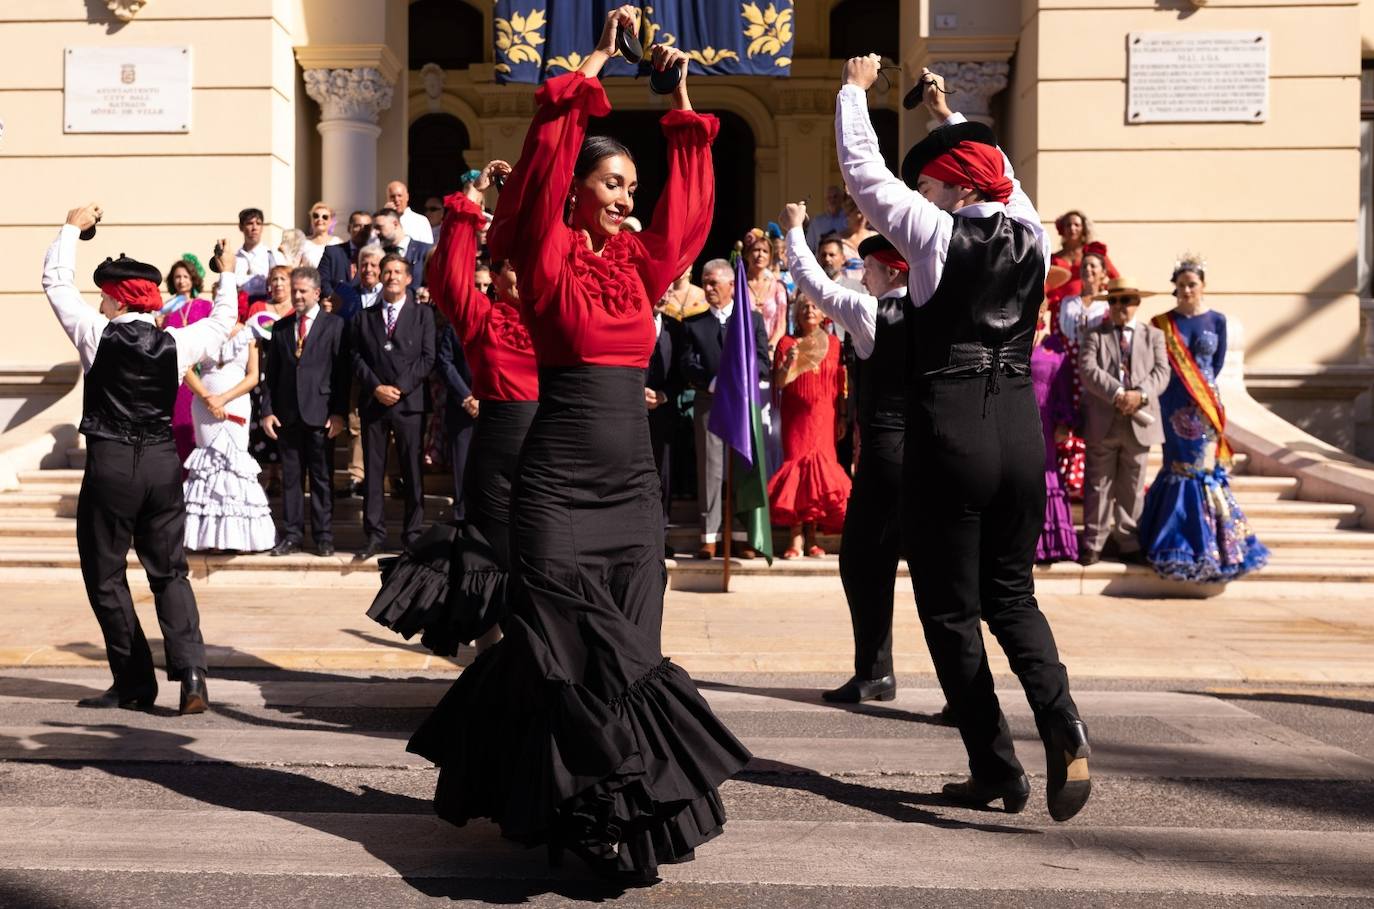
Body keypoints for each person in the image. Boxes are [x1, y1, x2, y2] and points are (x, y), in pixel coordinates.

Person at [407, 12, 750, 881]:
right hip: (554, 480)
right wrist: (596, 59)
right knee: (561, 642)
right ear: (577, 192)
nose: (628, 195)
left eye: (633, 182)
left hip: (633, 486)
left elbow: (693, 210)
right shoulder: (546, 250)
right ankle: (572, 811)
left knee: (631, 644)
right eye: (613, 181)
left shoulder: (641, 267)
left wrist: (676, 96)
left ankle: (614, 818)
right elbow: (540, 167)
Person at [838, 57, 1092, 820]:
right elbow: (1001, 167)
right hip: (1020, 430)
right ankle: (1064, 723)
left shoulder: (937, 236)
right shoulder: (1032, 231)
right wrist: (950, 118)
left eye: (930, 184)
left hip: (950, 429)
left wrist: (854, 90)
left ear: (955, 187)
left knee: (949, 609)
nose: (918, 195)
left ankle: (995, 766)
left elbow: (862, 171)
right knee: (1012, 595)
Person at [42, 203, 237, 715]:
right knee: (169, 571)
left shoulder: (95, 333)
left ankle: (133, 682)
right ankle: (191, 671)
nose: (99, 303)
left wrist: (70, 228)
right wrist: (227, 274)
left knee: (106, 574)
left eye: (103, 297)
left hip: (111, 463)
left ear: (111, 298)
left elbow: (55, 282)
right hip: (161, 463)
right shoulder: (176, 340)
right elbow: (224, 321)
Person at [368, 160, 539, 656]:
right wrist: (470, 202)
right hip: (496, 444)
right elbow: (446, 276)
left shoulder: (558, 316)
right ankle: (488, 658)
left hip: (550, 443)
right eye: (509, 266)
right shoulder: (482, 316)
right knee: (487, 552)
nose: (518, 273)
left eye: (525, 265)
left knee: (542, 554)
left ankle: (541, 653)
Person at [784, 207, 908, 703]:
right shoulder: (937, 310)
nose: (863, 278)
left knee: (861, 562)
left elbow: (814, 284)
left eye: (869, 269)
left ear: (891, 270)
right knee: (944, 576)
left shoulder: (873, 312)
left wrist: (795, 229)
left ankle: (876, 672)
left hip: (887, 451)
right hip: (932, 452)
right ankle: (962, 692)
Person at [1137, 257, 1269, 581]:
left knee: (1202, 469)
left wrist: (1203, 394)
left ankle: (1210, 544)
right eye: (1180, 285)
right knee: (1178, 467)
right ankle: (1173, 541)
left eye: (1191, 285)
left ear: (1203, 286)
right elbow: (1155, 363)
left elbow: (1217, 363)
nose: (1185, 290)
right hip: (1172, 405)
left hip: (1205, 406)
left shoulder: (1218, 321)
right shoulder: (1161, 322)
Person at [680, 258, 770, 559]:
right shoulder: (694, 324)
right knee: (711, 469)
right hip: (710, 402)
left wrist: (741, 379)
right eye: (704, 282)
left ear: (732, 285)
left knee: (742, 466)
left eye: (713, 282)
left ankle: (743, 535)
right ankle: (710, 536)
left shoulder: (752, 321)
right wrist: (712, 381)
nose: (707, 288)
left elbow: (762, 362)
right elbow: (687, 364)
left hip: (743, 404)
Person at [1077, 276, 1170, 566]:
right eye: (1114, 300)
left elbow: (1161, 373)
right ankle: (1094, 542)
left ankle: (1129, 541)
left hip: (1140, 421)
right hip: (1104, 419)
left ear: (1136, 303)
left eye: (1126, 300)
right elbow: (1088, 369)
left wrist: (1139, 394)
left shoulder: (1153, 335)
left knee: (1132, 484)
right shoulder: (1094, 334)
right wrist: (1118, 394)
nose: (1120, 306)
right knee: (1098, 484)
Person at [261, 266, 351, 557]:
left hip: (321, 414)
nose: (297, 296)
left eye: (302, 291)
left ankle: (324, 536)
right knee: (291, 479)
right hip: (288, 415)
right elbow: (271, 375)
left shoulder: (335, 326)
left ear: (316, 292)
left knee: (322, 478)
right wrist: (267, 411)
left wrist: (338, 413)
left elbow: (342, 375)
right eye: (294, 290)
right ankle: (293, 535)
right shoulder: (281, 327)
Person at [352, 255, 436, 559]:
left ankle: (412, 534)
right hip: (374, 402)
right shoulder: (364, 316)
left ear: (409, 278)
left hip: (409, 403)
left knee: (412, 470)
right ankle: (374, 534)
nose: (391, 276)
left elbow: (428, 358)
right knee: (373, 472)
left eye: (398, 271)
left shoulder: (423, 315)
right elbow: (356, 357)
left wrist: (398, 388)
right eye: (386, 271)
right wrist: (376, 387)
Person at [182, 293, 276, 553]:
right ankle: (206, 538)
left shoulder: (249, 334)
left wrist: (222, 398)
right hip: (204, 404)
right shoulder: (203, 332)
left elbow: (254, 376)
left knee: (234, 462)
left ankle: (236, 538)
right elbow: (186, 365)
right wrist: (206, 397)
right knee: (208, 463)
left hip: (235, 403)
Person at [767, 295, 850, 558]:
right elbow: (779, 383)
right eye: (803, 307)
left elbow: (842, 384)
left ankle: (813, 538)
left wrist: (843, 417)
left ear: (823, 312)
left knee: (820, 473)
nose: (809, 311)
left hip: (825, 414)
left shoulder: (835, 343)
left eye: (814, 306)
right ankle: (795, 539)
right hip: (796, 418)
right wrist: (789, 361)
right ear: (796, 314)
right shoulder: (786, 343)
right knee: (798, 470)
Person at [1054, 242, 1111, 501]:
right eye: (1085, 265)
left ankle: (1092, 485)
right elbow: (1056, 339)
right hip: (1068, 374)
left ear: (1102, 273)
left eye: (1093, 266)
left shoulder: (1109, 304)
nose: (1088, 270)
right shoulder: (1067, 303)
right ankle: (1069, 486)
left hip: (1096, 374)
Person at [1031, 289, 1079, 564]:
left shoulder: (1054, 345)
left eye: (1042, 304)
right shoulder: (1014, 339)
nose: (1038, 308)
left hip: (1045, 419)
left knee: (1045, 471)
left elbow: (1063, 386)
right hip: (1015, 416)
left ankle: (1048, 544)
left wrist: (1064, 422)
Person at [162, 257, 214, 464]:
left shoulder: (205, 306)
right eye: (177, 277)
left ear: (193, 279)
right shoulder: (167, 310)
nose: (181, 281)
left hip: (203, 374)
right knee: (180, 426)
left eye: (185, 276)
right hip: (179, 378)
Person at [646, 291, 684, 555]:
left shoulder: (676, 328)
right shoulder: (631, 321)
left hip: (664, 411)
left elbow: (681, 371)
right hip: (629, 410)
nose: (665, 295)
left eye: (670, 290)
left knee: (664, 474)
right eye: (661, 289)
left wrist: (664, 395)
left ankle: (660, 535)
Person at [1049, 210, 1118, 306]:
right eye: (1068, 225)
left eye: (1077, 225)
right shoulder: (1053, 258)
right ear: (1062, 229)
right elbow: (1046, 285)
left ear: (1083, 229)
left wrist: (1102, 288)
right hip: (1059, 307)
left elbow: (1116, 278)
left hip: (1090, 305)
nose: (1072, 228)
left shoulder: (1094, 254)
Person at [318, 210, 373, 297]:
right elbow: (322, 280)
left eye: (366, 227)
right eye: (357, 226)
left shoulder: (376, 256)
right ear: (349, 228)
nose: (362, 230)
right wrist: (334, 299)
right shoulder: (332, 252)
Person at [373, 207, 431, 285]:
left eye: (379, 227)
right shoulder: (382, 254)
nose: (376, 232)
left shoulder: (424, 250)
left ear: (395, 224)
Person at [234, 207, 277, 298]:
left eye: (258, 223)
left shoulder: (271, 255)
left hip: (263, 304)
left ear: (262, 228)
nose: (254, 228)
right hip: (238, 306)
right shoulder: (234, 258)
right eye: (250, 223)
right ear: (241, 227)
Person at [386, 179, 435, 245]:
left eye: (399, 195)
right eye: (392, 196)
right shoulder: (383, 220)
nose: (396, 199)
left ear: (407, 197)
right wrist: (385, 214)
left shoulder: (420, 221)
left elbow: (427, 248)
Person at [804, 184, 848, 251]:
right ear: (826, 200)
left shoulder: (849, 219)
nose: (832, 200)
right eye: (829, 197)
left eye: (835, 197)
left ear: (841, 198)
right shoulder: (816, 222)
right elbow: (809, 247)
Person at [302, 201, 344, 268]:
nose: (320, 219)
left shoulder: (338, 243)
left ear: (331, 221)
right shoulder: (303, 243)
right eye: (316, 216)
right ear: (311, 219)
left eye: (325, 217)